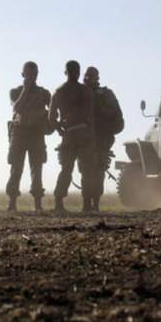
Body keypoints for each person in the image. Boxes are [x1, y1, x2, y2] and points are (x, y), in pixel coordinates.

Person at [49, 60, 98, 213]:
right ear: (78, 72)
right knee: (86, 170)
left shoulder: (58, 92)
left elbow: (51, 118)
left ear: (65, 72)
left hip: (68, 135)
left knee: (66, 169)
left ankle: (58, 203)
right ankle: (86, 204)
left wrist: (60, 130)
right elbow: (90, 115)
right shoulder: (86, 91)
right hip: (84, 134)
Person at [5, 61, 52, 212]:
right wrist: (25, 90)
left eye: (34, 73)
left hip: (36, 134)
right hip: (19, 133)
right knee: (16, 168)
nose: (31, 76)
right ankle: (12, 202)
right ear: (23, 74)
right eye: (28, 73)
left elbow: (52, 112)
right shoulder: (15, 91)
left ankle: (38, 203)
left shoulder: (44, 93)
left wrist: (45, 119)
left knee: (37, 169)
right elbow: (17, 107)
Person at [83, 66, 124, 212]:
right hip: (84, 139)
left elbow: (118, 120)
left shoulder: (106, 95)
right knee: (86, 170)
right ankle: (87, 202)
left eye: (91, 77)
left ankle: (95, 203)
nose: (87, 79)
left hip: (101, 139)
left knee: (98, 171)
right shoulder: (79, 93)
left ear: (97, 78)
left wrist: (106, 130)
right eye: (86, 76)